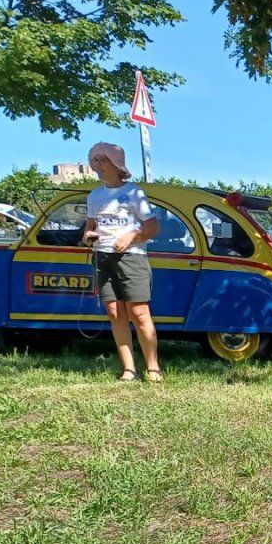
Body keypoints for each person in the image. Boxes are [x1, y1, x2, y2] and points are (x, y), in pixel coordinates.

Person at [80, 142, 163, 382]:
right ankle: (129, 369)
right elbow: (90, 226)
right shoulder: (94, 196)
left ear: (116, 164)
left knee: (138, 312)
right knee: (115, 312)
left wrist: (131, 237)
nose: (96, 164)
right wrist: (87, 236)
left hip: (131, 257)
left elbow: (153, 227)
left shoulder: (134, 193)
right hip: (102, 255)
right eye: (93, 159)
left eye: (102, 159)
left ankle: (153, 368)